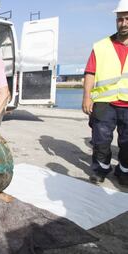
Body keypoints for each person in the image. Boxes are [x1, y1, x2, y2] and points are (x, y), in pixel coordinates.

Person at [82, 0, 128, 186]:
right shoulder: (101, 46)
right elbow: (90, 72)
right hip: (104, 102)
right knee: (100, 141)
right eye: (120, 19)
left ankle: (124, 171)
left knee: (127, 145)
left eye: (127, 19)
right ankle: (100, 169)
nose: (123, 23)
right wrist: (86, 96)